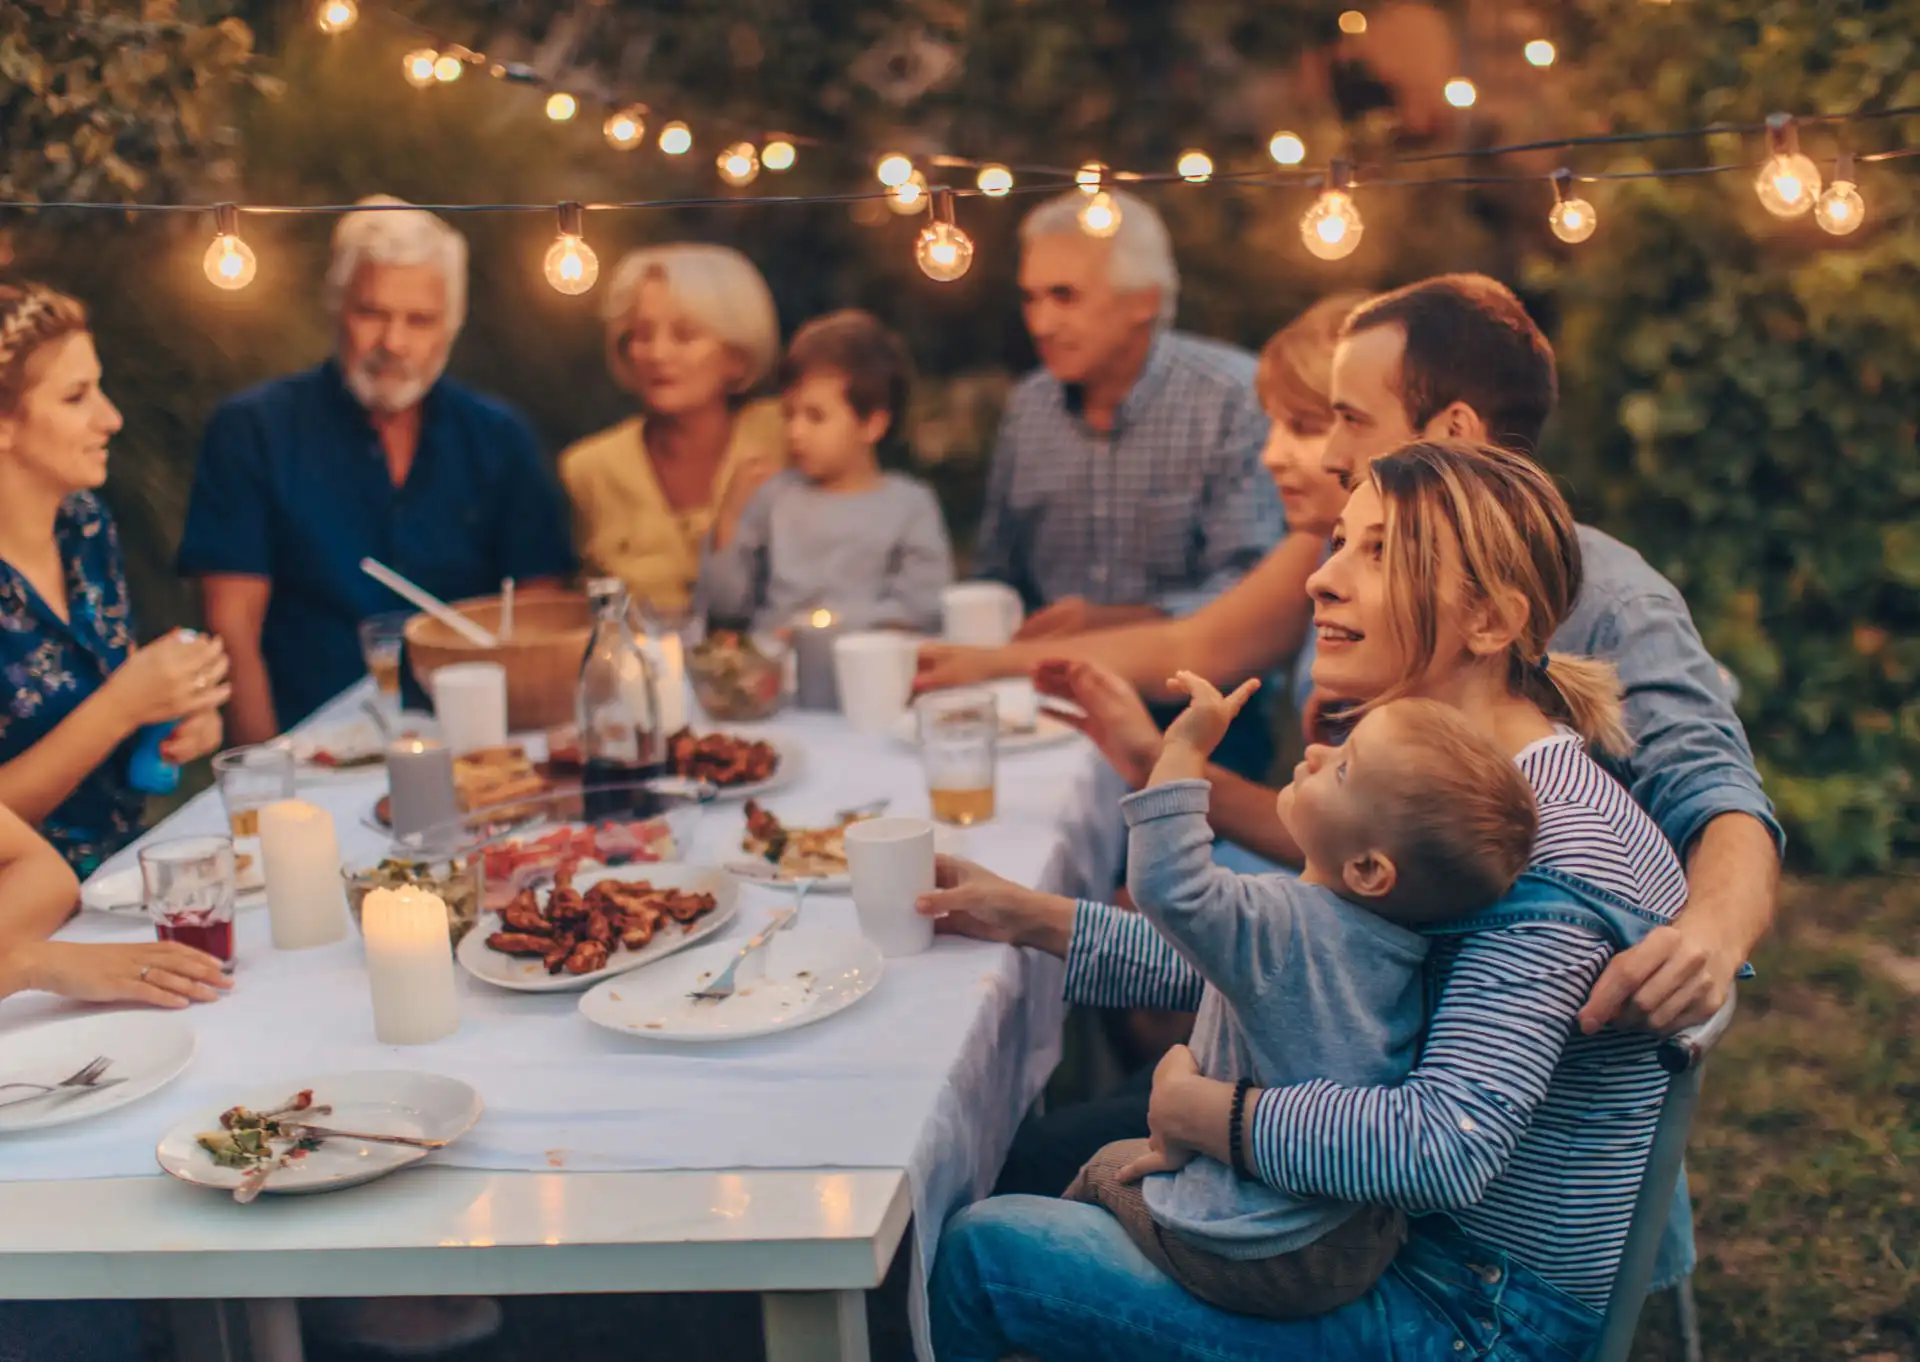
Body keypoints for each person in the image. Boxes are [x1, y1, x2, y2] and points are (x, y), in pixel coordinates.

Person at [925, 441, 1692, 1360]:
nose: (1322, 579)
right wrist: (1030, 918)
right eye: (1339, 543)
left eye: (1380, 553)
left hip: (1464, 1312)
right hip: (1371, 1240)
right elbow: (1291, 963)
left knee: (985, 1255)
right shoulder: (1446, 793)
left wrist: (1215, 1115)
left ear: (1488, 620)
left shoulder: (1547, 850)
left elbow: (1444, 1147)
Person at [925, 273, 1779, 1039]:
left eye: (1347, 420)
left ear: (1454, 433)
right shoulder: (1363, 576)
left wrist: (1709, 937)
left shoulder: (1607, 615)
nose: (1327, 454)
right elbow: (1316, 946)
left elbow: (1715, 791)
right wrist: (1032, 912)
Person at [1066, 677, 1538, 1321]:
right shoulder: (1402, 947)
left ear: (1368, 869)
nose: (1316, 752)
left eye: (1343, 768)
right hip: (1351, 1238)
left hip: (1257, 1247)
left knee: (1101, 1171)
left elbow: (1169, 885)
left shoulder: (1282, 924)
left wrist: (1181, 753)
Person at [178, 196, 577, 741]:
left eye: (420, 320)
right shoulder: (252, 430)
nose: (394, 342)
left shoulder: (499, 438)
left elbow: (537, 611)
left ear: (452, 326)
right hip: (312, 744)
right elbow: (232, 625)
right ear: (335, 307)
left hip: (477, 738)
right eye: (371, 313)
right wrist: (265, 767)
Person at [972, 189, 1285, 778]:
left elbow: (1252, 586)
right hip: (1045, 710)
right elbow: (997, 572)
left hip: (1201, 716)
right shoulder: (1029, 407)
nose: (1040, 323)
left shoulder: (1231, 398)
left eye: (1064, 296)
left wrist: (1115, 619)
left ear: (1144, 301)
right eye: (1031, 297)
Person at [0, 283, 231, 876]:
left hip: (129, 869)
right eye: (76, 397)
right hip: (26, 905)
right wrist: (123, 706)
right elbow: (113, 702)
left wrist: (175, 714)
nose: (112, 418)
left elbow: (117, 684)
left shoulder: (83, 524)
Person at [562, 243, 786, 616]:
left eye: (684, 335)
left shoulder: (788, 435)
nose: (657, 354)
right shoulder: (588, 470)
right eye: (642, 335)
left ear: (737, 354)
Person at [697, 309, 952, 633]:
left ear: (872, 424)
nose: (795, 432)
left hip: (866, 656)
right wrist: (730, 521)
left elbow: (923, 607)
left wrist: (825, 628)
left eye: (815, 416)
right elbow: (725, 607)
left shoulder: (909, 506)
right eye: (789, 414)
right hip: (775, 658)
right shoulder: (774, 497)